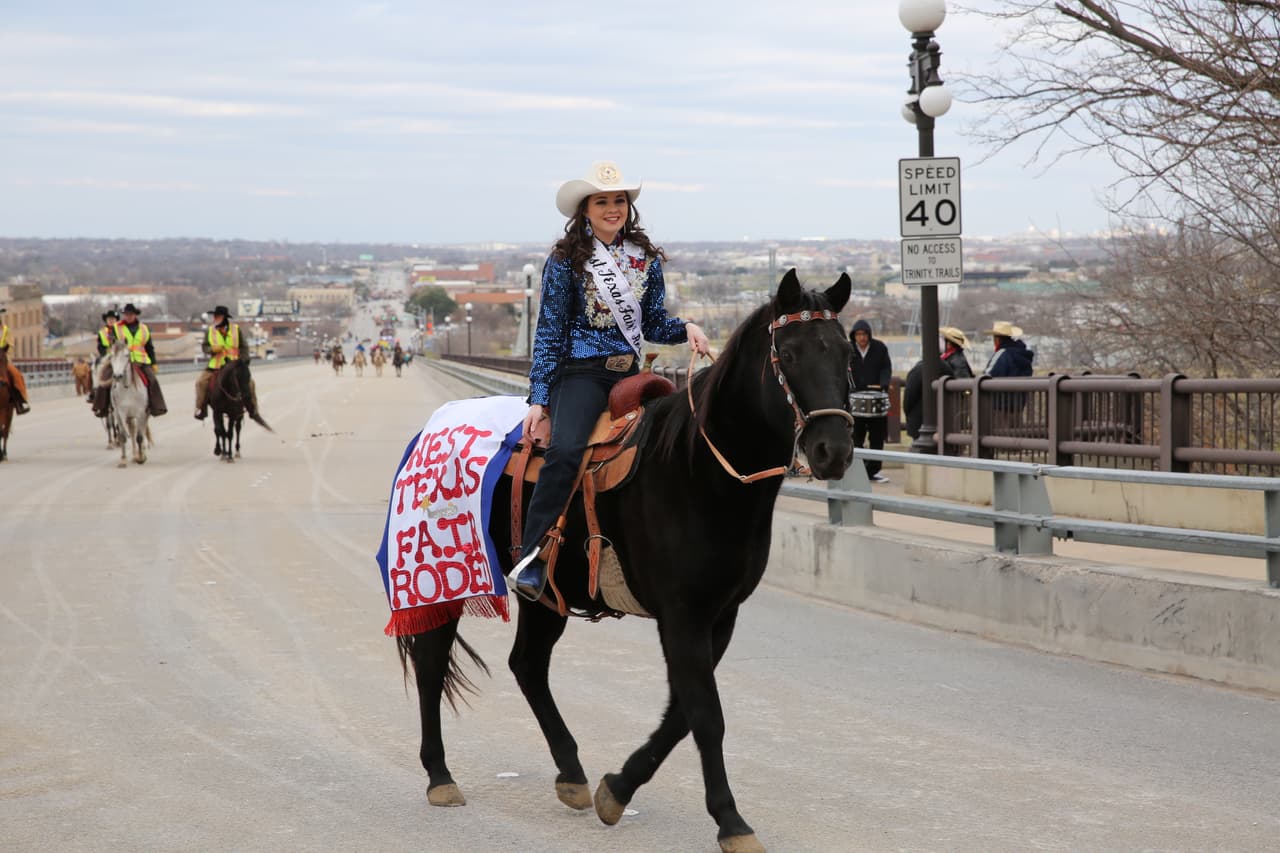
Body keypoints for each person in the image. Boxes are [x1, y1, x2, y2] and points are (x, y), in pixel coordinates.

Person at [508, 159, 710, 602]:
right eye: (603, 201)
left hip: (630, 373)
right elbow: (549, 332)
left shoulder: (643, 259)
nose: (613, 208)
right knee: (564, 452)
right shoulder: (564, 262)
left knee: (674, 439)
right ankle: (534, 555)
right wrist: (539, 399)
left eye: (619, 200)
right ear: (585, 209)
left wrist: (686, 329)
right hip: (580, 374)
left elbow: (653, 320)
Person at [903, 326, 973, 440]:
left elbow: (909, 398)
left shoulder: (952, 362)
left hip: (922, 420)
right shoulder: (949, 363)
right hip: (944, 416)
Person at [194, 305, 259, 420]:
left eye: (217, 316)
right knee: (200, 383)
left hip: (234, 365)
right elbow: (205, 347)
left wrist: (244, 361)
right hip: (216, 365)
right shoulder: (210, 330)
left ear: (224, 317)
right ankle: (201, 409)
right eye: (214, 316)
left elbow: (244, 346)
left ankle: (253, 409)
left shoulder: (235, 329)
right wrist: (212, 349)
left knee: (250, 383)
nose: (215, 318)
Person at [848, 318, 892, 483]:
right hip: (855, 398)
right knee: (856, 437)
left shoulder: (880, 348)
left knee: (877, 437)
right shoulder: (849, 349)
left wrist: (883, 384)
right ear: (854, 336)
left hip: (875, 398)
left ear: (869, 334)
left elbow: (886, 368)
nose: (862, 338)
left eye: (864, 334)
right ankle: (858, 469)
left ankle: (873, 469)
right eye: (858, 334)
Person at [116, 303, 168, 416]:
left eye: (130, 314)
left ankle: (156, 406)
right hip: (122, 362)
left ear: (135, 315)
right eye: (126, 314)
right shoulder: (117, 327)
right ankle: (102, 405)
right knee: (106, 380)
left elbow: (149, 347)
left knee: (152, 380)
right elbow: (113, 345)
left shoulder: (144, 328)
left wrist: (153, 363)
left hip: (141, 361)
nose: (128, 316)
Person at [983, 320, 1035, 416]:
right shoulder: (1023, 355)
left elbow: (988, 376)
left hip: (999, 406)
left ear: (997, 339)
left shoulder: (1003, 353)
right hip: (1018, 407)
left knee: (995, 430)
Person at [0, 307, 30, 414]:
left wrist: (5, 351)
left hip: (2, 358)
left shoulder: (5, 330)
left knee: (15, 374)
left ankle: (19, 401)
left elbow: (11, 344)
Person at [89, 309, 120, 410]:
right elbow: (100, 346)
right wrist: (105, 354)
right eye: (109, 319)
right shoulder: (102, 332)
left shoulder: (121, 331)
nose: (111, 321)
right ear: (106, 321)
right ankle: (95, 389)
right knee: (96, 366)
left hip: (119, 355)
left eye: (113, 319)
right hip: (107, 355)